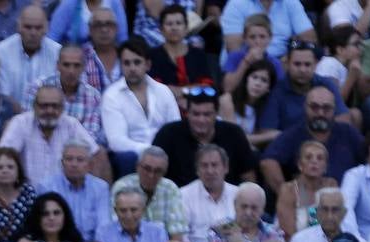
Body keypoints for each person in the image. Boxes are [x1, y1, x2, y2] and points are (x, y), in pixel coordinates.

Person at [260, 85, 366, 193]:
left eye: (326, 108)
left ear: (335, 109)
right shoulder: (293, 134)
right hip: (308, 203)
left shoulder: (348, 132)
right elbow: (267, 162)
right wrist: (287, 194)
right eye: (314, 107)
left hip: (345, 201)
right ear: (305, 107)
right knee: (312, 210)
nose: (320, 113)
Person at [100, 37, 180, 177]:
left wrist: (163, 152)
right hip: (133, 158)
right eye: (126, 63)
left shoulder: (163, 91)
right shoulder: (111, 96)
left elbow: (176, 128)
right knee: (126, 158)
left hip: (165, 155)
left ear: (147, 65)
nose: (132, 68)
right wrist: (151, 152)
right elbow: (117, 141)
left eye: (137, 62)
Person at [0, 83, 100, 189]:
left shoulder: (71, 125)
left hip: (64, 196)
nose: (49, 111)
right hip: (28, 194)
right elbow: (4, 155)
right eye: (44, 106)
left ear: (62, 108)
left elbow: (93, 154)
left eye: (54, 106)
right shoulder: (20, 123)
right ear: (34, 106)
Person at [153, 87, 257, 189]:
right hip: (179, 200)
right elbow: (154, 171)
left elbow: (248, 176)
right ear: (187, 113)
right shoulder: (168, 134)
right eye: (196, 114)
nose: (201, 120)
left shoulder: (234, 134)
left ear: (216, 114)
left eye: (207, 114)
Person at [257, 39, 350, 140]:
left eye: (307, 64)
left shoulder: (327, 85)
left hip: (325, 142)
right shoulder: (277, 90)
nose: (302, 70)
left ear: (316, 64)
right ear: (287, 63)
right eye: (297, 64)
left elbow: (343, 120)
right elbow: (266, 131)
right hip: (290, 145)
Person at [23, 43, 104, 148]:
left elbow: (90, 136)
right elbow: (28, 126)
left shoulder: (93, 97)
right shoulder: (37, 88)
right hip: (37, 147)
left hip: (76, 156)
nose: (71, 71)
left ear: (84, 67)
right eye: (66, 65)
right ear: (57, 65)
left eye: (76, 65)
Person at [109, 145, 187, 241]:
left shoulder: (170, 188)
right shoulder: (122, 186)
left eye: (158, 171)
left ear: (165, 172)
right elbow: (116, 227)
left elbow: (177, 232)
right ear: (137, 166)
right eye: (147, 168)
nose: (151, 175)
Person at [39, 140, 110, 242]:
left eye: (80, 160)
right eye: (69, 159)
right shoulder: (46, 187)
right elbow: (46, 226)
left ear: (90, 165)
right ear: (62, 163)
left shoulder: (101, 188)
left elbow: (103, 226)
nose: (74, 164)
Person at [180, 144, 239, 242]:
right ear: (197, 170)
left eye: (214, 165)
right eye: (204, 166)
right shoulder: (183, 195)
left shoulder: (239, 194)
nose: (210, 171)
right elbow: (182, 240)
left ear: (225, 168)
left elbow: (247, 232)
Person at [0, 5, 60, 106]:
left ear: (46, 28)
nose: (33, 33)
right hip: (10, 116)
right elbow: (3, 95)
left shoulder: (58, 53)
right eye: (28, 27)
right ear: (18, 27)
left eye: (38, 28)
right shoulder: (1, 52)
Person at [148, 5, 213, 105]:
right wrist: (190, 89)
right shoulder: (153, 55)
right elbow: (154, 88)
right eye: (169, 24)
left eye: (178, 23)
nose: (174, 28)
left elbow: (206, 86)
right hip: (162, 106)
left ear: (186, 28)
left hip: (197, 106)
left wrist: (181, 91)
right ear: (161, 29)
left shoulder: (198, 54)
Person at [275, 140, 337, 242]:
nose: (314, 161)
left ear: (325, 166)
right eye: (308, 157)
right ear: (300, 164)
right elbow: (289, 234)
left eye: (320, 158)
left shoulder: (330, 186)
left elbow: (336, 225)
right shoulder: (288, 190)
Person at [221, 0, 316, 59]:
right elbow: (234, 49)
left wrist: (288, 58)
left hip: (283, 61)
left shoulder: (291, 2)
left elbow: (309, 38)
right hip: (246, 63)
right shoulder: (236, 3)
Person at [221, 13, 284, 97]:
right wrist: (246, 62)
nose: (257, 41)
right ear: (245, 38)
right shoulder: (235, 57)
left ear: (270, 38)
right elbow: (227, 88)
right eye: (252, 37)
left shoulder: (275, 63)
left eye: (262, 37)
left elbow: (279, 93)